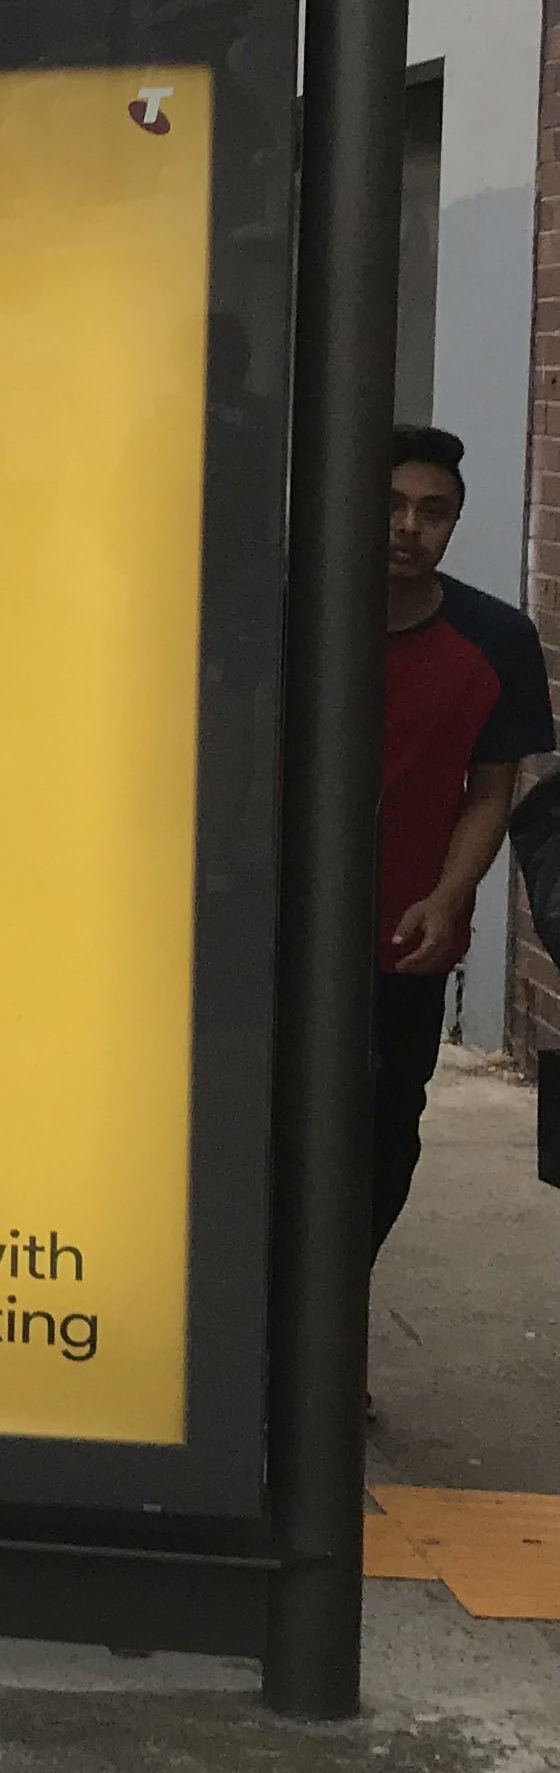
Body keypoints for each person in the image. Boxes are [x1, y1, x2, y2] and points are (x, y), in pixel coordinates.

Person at [374, 424, 552, 1257]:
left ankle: (335, 1331)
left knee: (380, 1141)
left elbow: (491, 791)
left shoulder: (496, 641)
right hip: (264, 932)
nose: (410, 526)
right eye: (393, 505)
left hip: (403, 935)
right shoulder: (275, 614)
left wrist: (449, 901)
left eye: (433, 512)